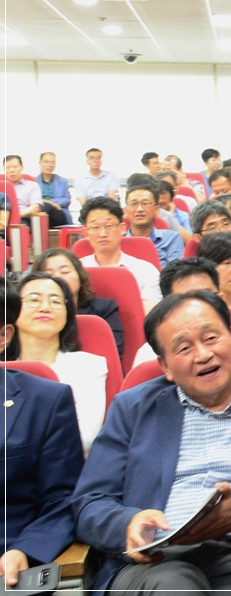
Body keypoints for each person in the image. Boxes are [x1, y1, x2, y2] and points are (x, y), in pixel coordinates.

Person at [73, 290, 231, 595]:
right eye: (184, 347)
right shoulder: (131, 409)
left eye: (211, 338)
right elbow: (89, 502)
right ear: (165, 366)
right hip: (154, 563)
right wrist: (128, 523)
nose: (203, 355)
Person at [0, 349, 85, 588]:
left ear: (3, 337)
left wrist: (25, 550)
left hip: (9, 562)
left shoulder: (45, 400)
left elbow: (64, 499)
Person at [4, 271, 108, 453]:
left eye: (56, 301)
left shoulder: (89, 366)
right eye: (33, 300)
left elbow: (85, 437)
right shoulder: (3, 368)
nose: (45, 307)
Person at [139, 258, 231, 378]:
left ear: (221, 301)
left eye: (205, 297)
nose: (195, 308)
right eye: (185, 300)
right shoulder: (147, 355)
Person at [35, 248, 125, 360]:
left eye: (65, 272)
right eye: (48, 274)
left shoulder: (104, 309)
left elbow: (113, 353)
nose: (58, 278)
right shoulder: (32, 314)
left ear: (79, 275)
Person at [78, 197, 161, 308]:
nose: (103, 233)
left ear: (122, 228)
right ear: (86, 232)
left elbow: (150, 317)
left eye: (108, 226)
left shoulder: (146, 271)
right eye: (95, 227)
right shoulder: (77, 271)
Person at [124, 178, 185, 267]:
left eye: (146, 203)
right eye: (134, 204)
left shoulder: (172, 239)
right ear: (125, 211)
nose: (140, 209)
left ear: (157, 210)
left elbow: (174, 275)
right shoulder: (119, 241)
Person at [4, 156, 43, 230]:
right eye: (8, 167)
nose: (12, 170)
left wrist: (17, 215)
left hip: (22, 218)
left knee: (19, 227)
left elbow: (35, 206)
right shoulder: (1, 186)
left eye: (15, 167)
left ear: (22, 167)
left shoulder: (32, 185)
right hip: (2, 218)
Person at [36, 152, 72, 226]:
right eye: (46, 162)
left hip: (59, 213)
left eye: (52, 162)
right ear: (40, 163)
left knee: (45, 209)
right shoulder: (33, 182)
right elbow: (32, 201)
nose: (50, 165)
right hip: (39, 213)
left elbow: (66, 200)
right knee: (44, 209)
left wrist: (50, 203)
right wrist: (50, 203)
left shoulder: (62, 181)